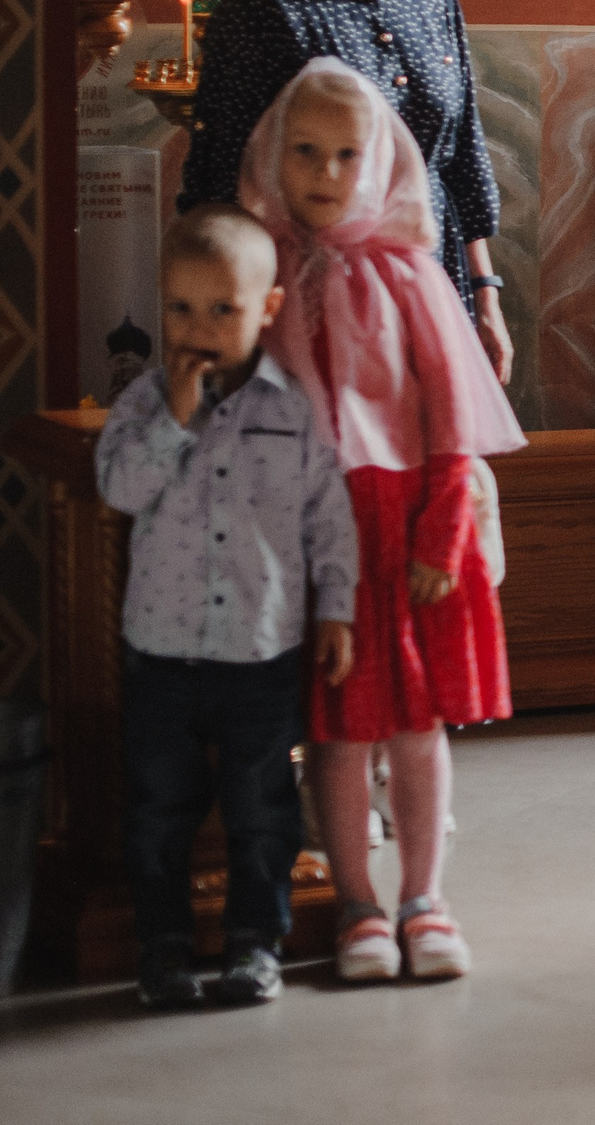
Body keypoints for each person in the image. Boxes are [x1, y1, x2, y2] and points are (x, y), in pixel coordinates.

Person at [239, 60, 525, 982]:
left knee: (414, 721)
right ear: (275, 158)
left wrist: (446, 529)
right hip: (317, 531)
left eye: (346, 156)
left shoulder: (410, 275)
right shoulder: (266, 272)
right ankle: (357, 905)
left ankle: (424, 899)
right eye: (306, 154)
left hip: (408, 524)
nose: (325, 175)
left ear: (378, 162)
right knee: (337, 725)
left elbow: (452, 414)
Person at [98, 205, 357, 1009]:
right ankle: (165, 947)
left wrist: (337, 612)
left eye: (223, 309)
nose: (198, 327)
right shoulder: (142, 405)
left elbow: (329, 523)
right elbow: (120, 489)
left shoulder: (293, 412)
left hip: (260, 652)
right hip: (161, 653)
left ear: (267, 310)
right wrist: (175, 420)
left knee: (261, 811)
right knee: (158, 813)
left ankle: (255, 943)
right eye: (180, 308)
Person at [179, 0, 514, 385]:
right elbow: (219, 179)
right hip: (316, 296)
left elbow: (462, 154)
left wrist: (486, 294)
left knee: (430, 468)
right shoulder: (264, 3)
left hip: (436, 280)